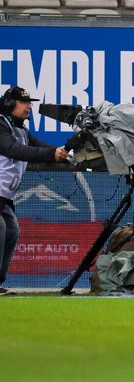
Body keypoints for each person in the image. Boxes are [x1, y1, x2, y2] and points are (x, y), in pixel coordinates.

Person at [0, 86, 70, 293]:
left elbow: (42, 147)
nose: (30, 106)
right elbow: (13, 150)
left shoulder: (20, 130)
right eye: (24, 102)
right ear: (10, 104)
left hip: (4, 196)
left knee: (11, 230)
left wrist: (66, 152)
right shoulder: (1, 126)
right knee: (2, 228)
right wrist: (51, 155)